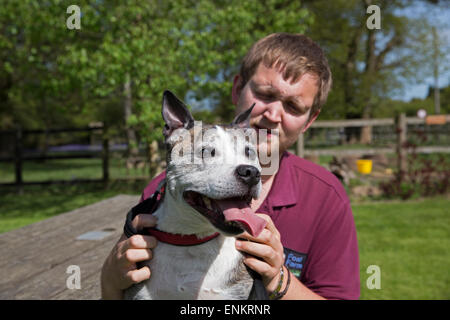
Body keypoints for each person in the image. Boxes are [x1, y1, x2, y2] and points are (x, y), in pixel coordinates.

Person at [101, 33, 360, 300]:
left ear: (308, 121)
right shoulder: (163, 191)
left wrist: (280, 281)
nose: (272, 115)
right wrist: (109, 279)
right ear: (238, 89)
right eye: (265, 94)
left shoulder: (326, 197)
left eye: (293, 106)